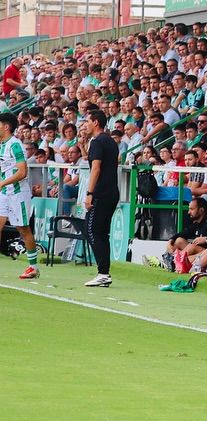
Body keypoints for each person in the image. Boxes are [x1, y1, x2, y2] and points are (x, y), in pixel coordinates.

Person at [82, 107, 120, 288]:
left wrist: (90, 193)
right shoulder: (111, 142)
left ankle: (103, 273)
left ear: (96, 122)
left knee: (91, 230)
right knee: (101, 232)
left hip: (101, 193)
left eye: (87, 121)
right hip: (112, 191)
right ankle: (104, 272)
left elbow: (96, 168)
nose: (85, 125)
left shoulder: (97, 141)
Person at [0, 112, 36, 278]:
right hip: (4, 193)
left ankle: (33, 268)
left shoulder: (15, 145)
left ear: (6, 126)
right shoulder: (2, 144)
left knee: (23, 229)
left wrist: (2, 183)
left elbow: (22, 172)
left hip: (17, 193)